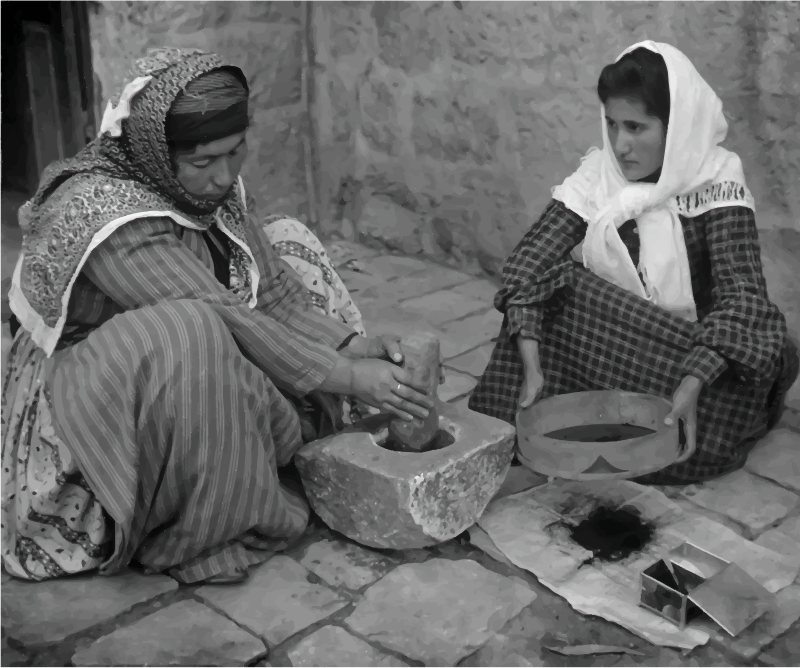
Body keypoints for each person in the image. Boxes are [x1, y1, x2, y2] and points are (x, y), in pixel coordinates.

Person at [0, 47, 435, 583]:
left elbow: (270, 290)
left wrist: (348, 346)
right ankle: (200, 523)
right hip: (94, 379)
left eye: (236, 152)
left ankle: (244, 457)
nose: (222, 177)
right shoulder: (101, 212)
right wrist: (345, 378)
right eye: (203, 162)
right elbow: (220, 310)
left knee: (286, 239)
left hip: (195, 341)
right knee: (193, 329)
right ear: (155, 150)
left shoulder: (216, 188)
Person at [469, 41, 799, 486]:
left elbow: (742, 301)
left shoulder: (714, 180)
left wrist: (694, 380)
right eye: (611, 125)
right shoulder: (598, 176)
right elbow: (528, 265)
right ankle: (577, 402)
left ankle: (628, 415)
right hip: (608, 344)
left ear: (676, 127)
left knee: (712, 423)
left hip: (682, 355)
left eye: (636, 127)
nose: (621, 145)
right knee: (555, 289)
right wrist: (531, 356)